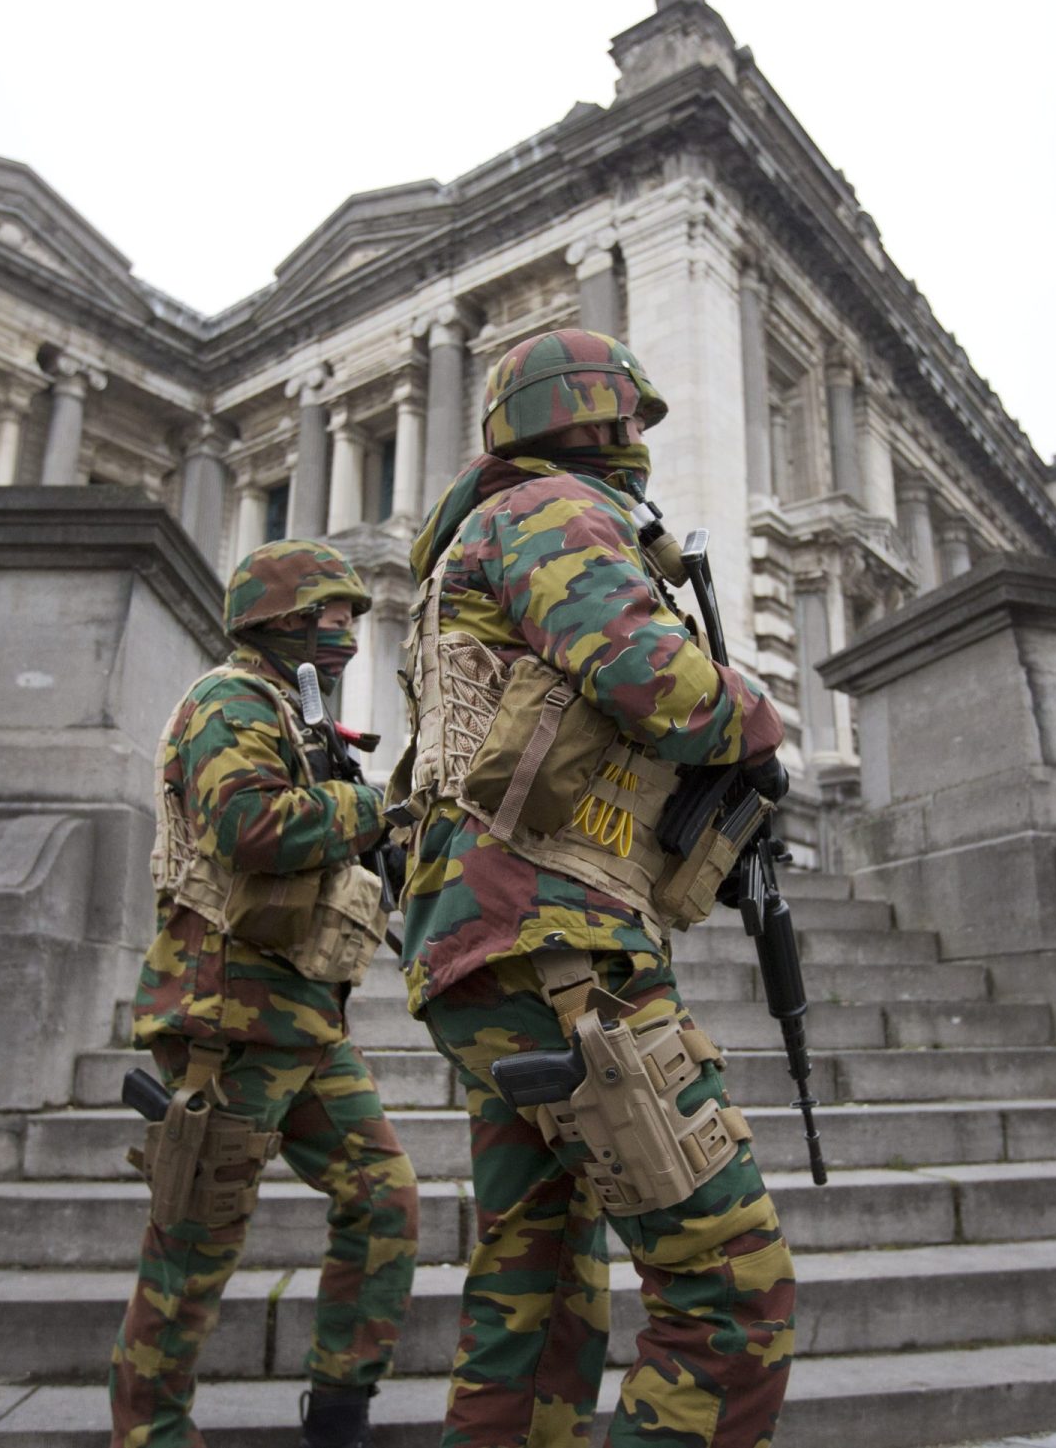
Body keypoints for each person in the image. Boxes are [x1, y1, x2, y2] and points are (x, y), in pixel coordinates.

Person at [392, 329, 797, 1448]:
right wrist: (756, 721)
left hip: (493, 944)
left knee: (538, 1300)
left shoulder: (474, 538)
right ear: (607, 419)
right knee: (732, 1297)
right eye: (632, 423)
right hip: (550, 937)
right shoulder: (553, 513)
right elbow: (655, 682)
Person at [109, 540, 419, 1448]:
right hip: (229, 1017)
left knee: (385, 1197)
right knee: (191, 1250)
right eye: (332, 615)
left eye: (354, 619)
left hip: (303, 1017)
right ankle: (151, 1434)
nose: (348, 636)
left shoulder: (299, 718)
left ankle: (338, 1413)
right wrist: (377, 809)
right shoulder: (230, 701)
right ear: (278, 618)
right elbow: (248, 826)